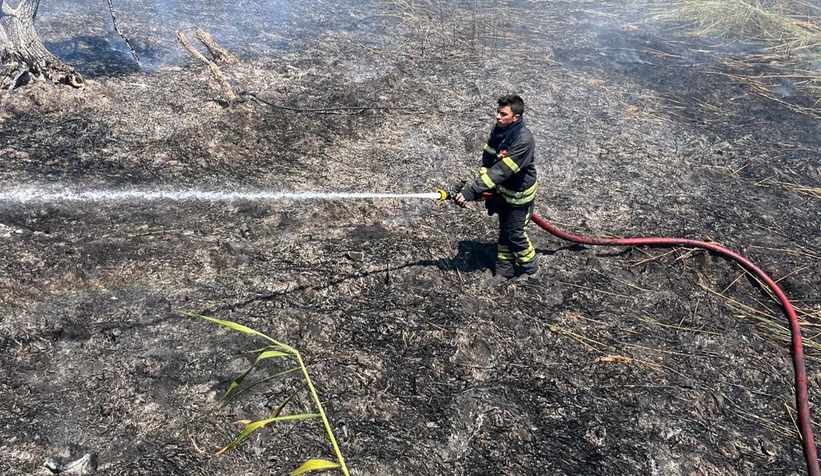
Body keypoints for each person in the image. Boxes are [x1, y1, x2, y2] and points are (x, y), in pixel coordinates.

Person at [454, 94, 539, 286]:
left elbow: (501, 171)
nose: (498, 117)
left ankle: (531, 269)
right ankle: (504, 271)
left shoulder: (524, 141)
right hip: (502, 192)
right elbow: (489, 157)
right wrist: (483, 189)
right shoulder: (500, 130)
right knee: (505, 230)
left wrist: (472, 191)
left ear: (516, 117)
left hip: (518, 196)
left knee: (514, 233)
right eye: (497, 112)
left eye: (503, 114)